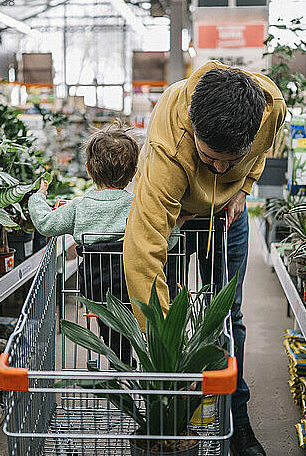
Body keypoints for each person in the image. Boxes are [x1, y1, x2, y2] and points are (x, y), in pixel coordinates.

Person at [123, 61, 287, 456]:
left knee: (228, 317)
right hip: (176, 218)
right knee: (173, 311)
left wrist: (241, 187)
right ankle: (174, 415)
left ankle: (236, 414)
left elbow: (264, 148)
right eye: (209, 157)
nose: (218, 169)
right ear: (193, 132)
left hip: (228, 219)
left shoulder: (271, 107)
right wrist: (166, 348)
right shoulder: (169, 146)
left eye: (229, 160)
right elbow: (143, 253)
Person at [28, 120, 189, 363]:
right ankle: (153, 364)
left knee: (111, 327)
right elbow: (166, 242)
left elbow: (46, 224)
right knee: (146, 324)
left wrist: (38, 198)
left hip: (98, 288)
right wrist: (177, 225)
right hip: (137, 286)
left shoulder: (79, 207)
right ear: (135, 172)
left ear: (89, 170)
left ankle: (121, 366)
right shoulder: (139, 208)